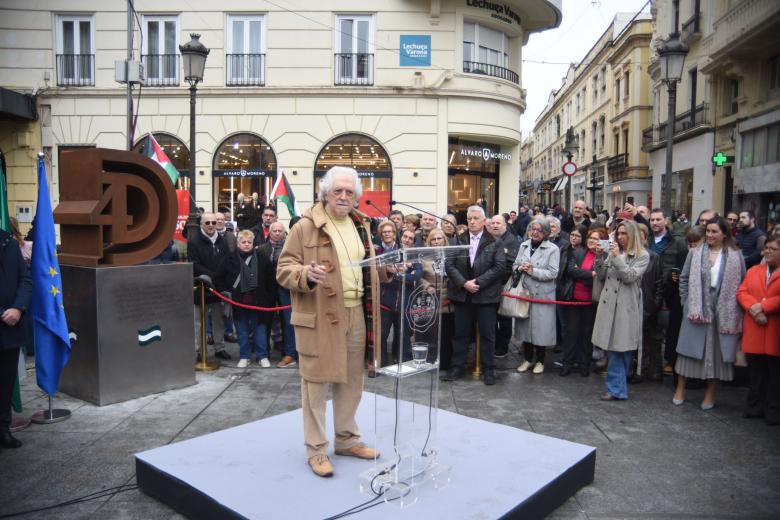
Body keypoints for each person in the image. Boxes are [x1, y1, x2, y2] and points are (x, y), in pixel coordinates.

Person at [276, 166, 379, 478]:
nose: (344, 196)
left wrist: (385, 273)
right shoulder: (305, 226)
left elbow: (361, 267)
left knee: (352, 382)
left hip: (356, 312)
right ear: (325, 193)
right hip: (319, 316)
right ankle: (317, 450)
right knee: (316, 387)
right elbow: (283, 269)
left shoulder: (361, 224)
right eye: (338, 191)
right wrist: (305, 273)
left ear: (357, 196)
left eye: (350, 192)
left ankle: (347, 440)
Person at [673, 217, 745, 410]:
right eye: (708, 231)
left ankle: (710, 394)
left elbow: (742, 284)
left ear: (724, 234)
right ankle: (680, 389)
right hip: (696, 307)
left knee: (715, 353)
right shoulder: (695, 253)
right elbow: (684, 279)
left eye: (715, 232)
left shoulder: (735, 256)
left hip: (723, 310)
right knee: (688, 350)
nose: (710, 235)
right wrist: (686, 302)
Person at [442, 205, 507, 385]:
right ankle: (457, 367)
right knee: (460, 333)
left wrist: (477, 283)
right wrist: (464, 283)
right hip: (463, 295)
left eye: (476, 218)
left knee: (487, 334)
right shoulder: (458, 240)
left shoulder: (495, 241)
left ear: (484, 221)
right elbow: (449, 265)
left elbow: (500, 267)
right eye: (470, 219)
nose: (472, 221)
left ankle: (489, 369)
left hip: (486, 296)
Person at [592, 220, 649, 401]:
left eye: (624, 233)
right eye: (619, 233)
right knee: (613, 347)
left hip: (626, 306)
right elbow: (601, 276)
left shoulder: (642, 255)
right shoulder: (613, 252)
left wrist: (616, 257)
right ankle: (617, 388)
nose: (621, 237)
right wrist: (599, 257)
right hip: (609, 304)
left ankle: (617, 389)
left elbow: (629, 277)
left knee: (621, 348)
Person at [216, 230, 276, 368]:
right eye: (243, 242)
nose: (247, 244)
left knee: (260, 330)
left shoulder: (261, 257)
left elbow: (271, 279)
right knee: (241, 330)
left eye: (249, 242)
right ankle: (245, 356)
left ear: (253, 243)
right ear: (238, 243)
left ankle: (262, 356)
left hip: (259, 301)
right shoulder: (230, 258)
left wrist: (268, 298)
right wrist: (227, 292)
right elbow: (218, 277)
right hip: (238, 301)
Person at [737, 236, 780, 424]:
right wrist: (755, 309)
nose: (768, 251)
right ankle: (754, 407)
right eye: (766, 248)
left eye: (773, 249)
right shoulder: (755, 270)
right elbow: (742, 292)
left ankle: (772, 411)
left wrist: (764, 306)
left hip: (774, 330)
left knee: (775, 376)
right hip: (755, 327)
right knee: (756, 373)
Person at [514, 218, 560, 375]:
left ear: (546, 233)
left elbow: (553, 273)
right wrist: (520, 267)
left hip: (543, 295)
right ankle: (527, 359)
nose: (534, 232)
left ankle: (540, 360)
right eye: (532, 229)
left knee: (541, 330)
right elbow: (515, 265)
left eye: (538, 230)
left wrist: (533, 271)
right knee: (525, 328)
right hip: (525, 293)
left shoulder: (553, 249)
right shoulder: (523, 245)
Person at [0, 226, 31, 452]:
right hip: (3, 317)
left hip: (10, 327)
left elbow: (26, 279)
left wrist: (18, 308)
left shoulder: (8, 242)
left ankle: (3, 429)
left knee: (5, 381)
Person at [647, 208, 688, 376]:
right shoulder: (646, 240)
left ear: (665, 220)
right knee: (650, 329)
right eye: (652, 220)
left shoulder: (677, 242)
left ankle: (669, 362)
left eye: (658, 219)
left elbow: (683, 265)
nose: (655, 223)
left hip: (669, 292)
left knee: (668, 330)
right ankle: (651, 366)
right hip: (649, 288)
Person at [560, 227, 606, 376]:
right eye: (590, 238)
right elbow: (571, 270)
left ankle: (584, 364)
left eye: (596, 238)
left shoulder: (604, 257)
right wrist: (590, 274)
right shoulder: (578, 252)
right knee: (571, 332)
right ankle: (567, 363)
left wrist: (585, 274)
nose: (592, 241)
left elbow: (601, 276)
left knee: (586, 333)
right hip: (574, 298)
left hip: (591, 301)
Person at [188, 213, 231, 360]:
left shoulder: (222, 240)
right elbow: (195, 264)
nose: (211, 225)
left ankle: (220, 347)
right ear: (202, 224)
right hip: (201, 285)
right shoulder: (194, 242)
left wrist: (218, 278)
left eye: (213, 222)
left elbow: (226, 260)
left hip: (218, 285)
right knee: (199, 320)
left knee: (218, 319)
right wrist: (211, 275)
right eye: (207, 223)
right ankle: (198, 350)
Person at [258, 222, 298, 368]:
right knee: (265, 321)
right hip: (267, 290)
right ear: (269, 232)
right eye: (274, 230)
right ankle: (263, 353)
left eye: (279, 230)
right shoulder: (261, 249)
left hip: (285, 289)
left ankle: (290, 353)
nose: (277, 233)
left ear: (284, 233)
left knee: (288, 322)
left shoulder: (291, 249)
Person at [378, 228, 420, 364]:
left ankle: (402, 362)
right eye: (405, 237)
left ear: (413, 242)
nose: (407, 240)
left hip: (405, 304)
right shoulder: (390, 252)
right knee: (382, 335)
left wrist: (395, 272)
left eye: (410, 238)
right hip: (386, 302)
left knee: (403, 336)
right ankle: (382, 363)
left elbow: (416, 277)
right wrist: (402, 271)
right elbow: (383, 273)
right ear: (401, 238)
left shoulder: (416, 257)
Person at [636, 223, 664, 382]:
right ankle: (636, 369)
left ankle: (649, 368)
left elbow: (659, 283)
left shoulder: (654, 257)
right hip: (632, 304)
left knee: (650, 339)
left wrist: (655, 303)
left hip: (648, 305)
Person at [489, 214, 520, 358]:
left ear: (505, 225)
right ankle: (494, 344)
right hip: (490, 286)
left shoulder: (511, 241)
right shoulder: (490, 239)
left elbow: (510, 265)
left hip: (503, 285)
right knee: (492, 318)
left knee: (505, 318)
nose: (495, 225)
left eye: (498, 223)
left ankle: (503, 346)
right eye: (493, 223)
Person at [424, 228, 455, 370]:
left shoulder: (452, 255)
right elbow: (419, 276)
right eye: (434, 239)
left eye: (439, 238)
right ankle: (430, 360)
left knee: (447, 334)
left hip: (448, 300)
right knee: (431, 333)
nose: (437, 242)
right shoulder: (423, 256)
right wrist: (427, 286)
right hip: (431, 299)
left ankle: (445, 363)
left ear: (445, 240)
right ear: (429, 242)